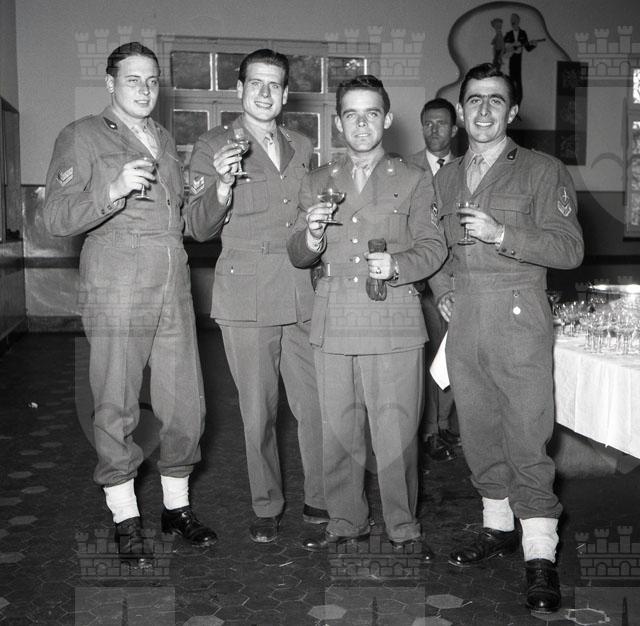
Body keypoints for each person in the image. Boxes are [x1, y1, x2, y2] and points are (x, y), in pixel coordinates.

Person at [43, 42, 217, 567]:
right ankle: (124, 516)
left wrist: (220, 190)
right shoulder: (82, 135)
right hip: (116, 274)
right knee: (116, 398)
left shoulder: (164, 140)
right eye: (133, 79)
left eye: (152, 80)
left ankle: (176, 507)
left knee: (186, 400)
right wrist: (113, 189)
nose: (145, 89)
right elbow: (55, 217)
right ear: (110, 83)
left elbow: (186, 221)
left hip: (172, 276)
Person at [428, 63, 583, 612]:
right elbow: (436, 248)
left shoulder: (541, 170)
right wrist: (443, 290)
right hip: (466, 321)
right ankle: (497, 527)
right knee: (478, 431)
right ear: (461, 111)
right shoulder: (446, 177)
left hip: (518, 318)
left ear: (512, 111)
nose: (484, 110)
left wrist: (502, 233)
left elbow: (570, 249)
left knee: (526, 435)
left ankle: (540, 553)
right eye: (474, 100)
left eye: (496, 100)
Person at [288, 75, 447, 556]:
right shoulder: (317, 181)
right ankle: (345, 520)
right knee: (339, 430)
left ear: (388, 119)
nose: (361, 124)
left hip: (392, 318)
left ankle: (402, 525)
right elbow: (297, 253)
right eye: (351, 115)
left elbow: (434, 246)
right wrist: (313, 236)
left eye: (371, 113)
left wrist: (399, 265)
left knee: (396, 432)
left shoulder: (413, 178)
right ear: (337, 123)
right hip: (335, 318)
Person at [185, 49, 327, 543]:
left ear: (286, 93)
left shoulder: (302, 145)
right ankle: (266, 505)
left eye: (275, 85)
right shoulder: (213, 144)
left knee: (316, 405)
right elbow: (198, 227)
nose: (265, 93)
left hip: (301, 290)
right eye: (256, 84)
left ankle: (320, 497)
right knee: (259, 411)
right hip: (247, 295)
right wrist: (222, 186)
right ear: (239, 89)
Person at [408, 98, 461, 463]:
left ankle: (444, 423)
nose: (434, 129)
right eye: (428, 123)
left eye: (441, 123)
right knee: (425, 355)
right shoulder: (405, 168)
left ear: (454, 129)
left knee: (453, 352)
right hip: (419, 282)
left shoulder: (466, 169)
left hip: (456, 278)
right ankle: (428, 430)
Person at [504, 12, 537, 108]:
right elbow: (504, 48)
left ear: (518, 21)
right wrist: (510, 47)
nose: (512, 22)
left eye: (514, 20)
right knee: (511, 83)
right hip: (511, 62)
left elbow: (527, 48)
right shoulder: (508, 34)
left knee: (518, 85)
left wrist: (533, 45)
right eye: (511, 20)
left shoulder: (523, 33)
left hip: (518, 63)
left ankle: (517, 105)